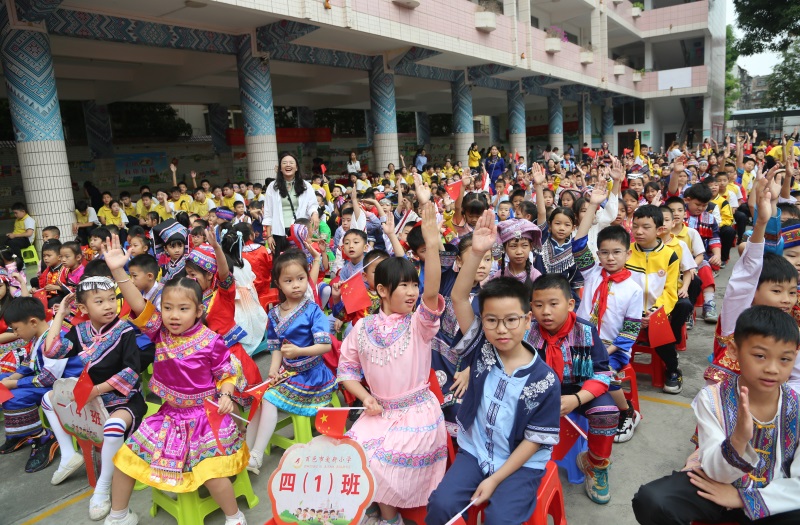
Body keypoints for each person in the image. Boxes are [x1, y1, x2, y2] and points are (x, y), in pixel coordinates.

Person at [427, 209, 561, 524]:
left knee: (499, 518)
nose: (501, 330)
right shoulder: (482, 349)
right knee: (441, 506)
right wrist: (476, 251)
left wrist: (496, 479)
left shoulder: (544, 381)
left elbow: (534, 441)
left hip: (519, 464)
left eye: (511, 320)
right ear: (482, 321)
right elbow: (459, 297)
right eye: (491, 320)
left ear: (527, 320)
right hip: (475, 451)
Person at [104, 252, 249, 525]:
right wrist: (118, 271)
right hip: (168, 415)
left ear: (198, 311)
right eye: (168, 308)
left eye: (183, 309)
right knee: (124, 459)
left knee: (211, 473)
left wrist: (227, 395)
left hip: (205, 418)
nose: (173, 315)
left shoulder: (211, 341)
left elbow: (226, 374)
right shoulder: (160, 331)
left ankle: (234, 516)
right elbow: (138, 303)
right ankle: (118, 515)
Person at [632, 305, 800, 525]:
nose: (772, 369)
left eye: (784, 359)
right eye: (760, 356)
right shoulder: (712, 398)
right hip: (717, 486)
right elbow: (714, 470)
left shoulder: (796, 404)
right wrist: (738, 440)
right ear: (733, 350)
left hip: (775, 496)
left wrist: (744, 499)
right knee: (653, 501)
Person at [337, 203, 447, 525]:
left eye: (414, 284)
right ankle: (390, 517)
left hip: (417, 413)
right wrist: (365, 397)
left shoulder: (418, 324)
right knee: (350, 454)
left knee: (380, 461)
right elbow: (346, 371)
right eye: (405, 285)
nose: (413, 292)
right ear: (382, 290)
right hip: (378, 413)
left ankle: (390, 517)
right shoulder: (362, 328)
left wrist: (432, 244)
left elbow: (432, 291)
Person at [42, 278, 148, 520]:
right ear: (83, 308)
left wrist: (97, 390)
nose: (109, 306)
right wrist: (61, 314)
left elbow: (131, 371)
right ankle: (68, 454)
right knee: (48, 399)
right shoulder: (80, 331)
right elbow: (51, 350)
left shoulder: (125, 330)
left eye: (112, 299)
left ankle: (102, 489)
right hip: (91, 397)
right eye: (99, 301)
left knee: (113, 427)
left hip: (123, 398)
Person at [246, 249, 334, 475]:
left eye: (300, 278)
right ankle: (245, 452)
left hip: (313, 375)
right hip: (289, 373)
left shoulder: (313, 310)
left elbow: (325, 346)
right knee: (259, 397)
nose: (296, 285)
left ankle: (256, 455)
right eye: (289, 280)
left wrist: (299, 351)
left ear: (307, 277)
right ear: (278, 283)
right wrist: (273, 369)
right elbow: (276, 346)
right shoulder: (274, 314)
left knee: (269, 398)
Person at [573, 186, 644, 444]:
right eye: (604, 252)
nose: (610, 258)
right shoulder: (592, 272)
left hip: (613, 349)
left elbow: (630, 332)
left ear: (628, 253)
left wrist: (603, 351)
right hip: (580, 342)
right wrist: (593, 205)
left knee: (602, 372)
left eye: (616, 252)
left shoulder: (633, 289)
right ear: (598, 254)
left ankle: (627, 411)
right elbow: (578, 244)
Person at [0, 297, 82, 473]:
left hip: (64, 385)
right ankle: (21, 432)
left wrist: (14, 383)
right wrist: (12, 377)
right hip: (49, 380)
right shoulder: (40, 335)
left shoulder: (56, 337)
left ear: (32, 322)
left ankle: (42, 437)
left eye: (16, 328)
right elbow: (30, 363)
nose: (15, 334)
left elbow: (48, 378)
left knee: (14, 397)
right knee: (2, 379)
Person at [626, 205, 682, 393]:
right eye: (635, 226)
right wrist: (633, 312)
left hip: (656, 310)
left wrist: (652, 312)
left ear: (659, 230)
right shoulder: (626, 252)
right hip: (628, 309)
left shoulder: (669, 255)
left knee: (659, 329)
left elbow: (670, 292)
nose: (639, 231)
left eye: (646, 227)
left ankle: (673, 370)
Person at [264, 153, 320, 255]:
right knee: (281, 262)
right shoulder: (272, 186)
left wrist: (314, 214)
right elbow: (268, 213)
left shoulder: (306, 185)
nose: (288, 165)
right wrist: (269, 236)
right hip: (279, 232)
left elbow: (312, 205)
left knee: (300, 260)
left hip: (299, 231)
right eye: (284, 163)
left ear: (296, 167)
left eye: (291, 163)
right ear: (280, 168)